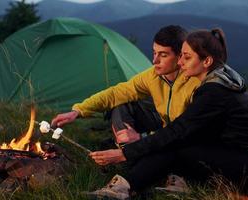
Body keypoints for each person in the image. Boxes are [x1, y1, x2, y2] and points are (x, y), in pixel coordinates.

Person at [88, 28, 248, 199]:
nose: (180, 63)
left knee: (175, 146)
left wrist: (125, 153)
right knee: (178, 144)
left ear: (207, 61)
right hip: (245, 156)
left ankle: (124, 187)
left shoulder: (214, 91)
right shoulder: (221, 79)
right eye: (180, 55)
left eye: (187, 57)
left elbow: (178, 131)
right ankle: (144, 183)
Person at [51, 25, 200, 147]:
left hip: (184, 138)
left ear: (180, 56)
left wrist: (143, 138)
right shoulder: (153, 76)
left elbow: (184, 129)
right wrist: (78, 111)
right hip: (162, 125)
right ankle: (124, 146)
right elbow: (116, 93)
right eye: (154, 53)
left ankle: (134, 149)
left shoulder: (195, 81)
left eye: (163, 55)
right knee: (121, 103)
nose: (155, 61)